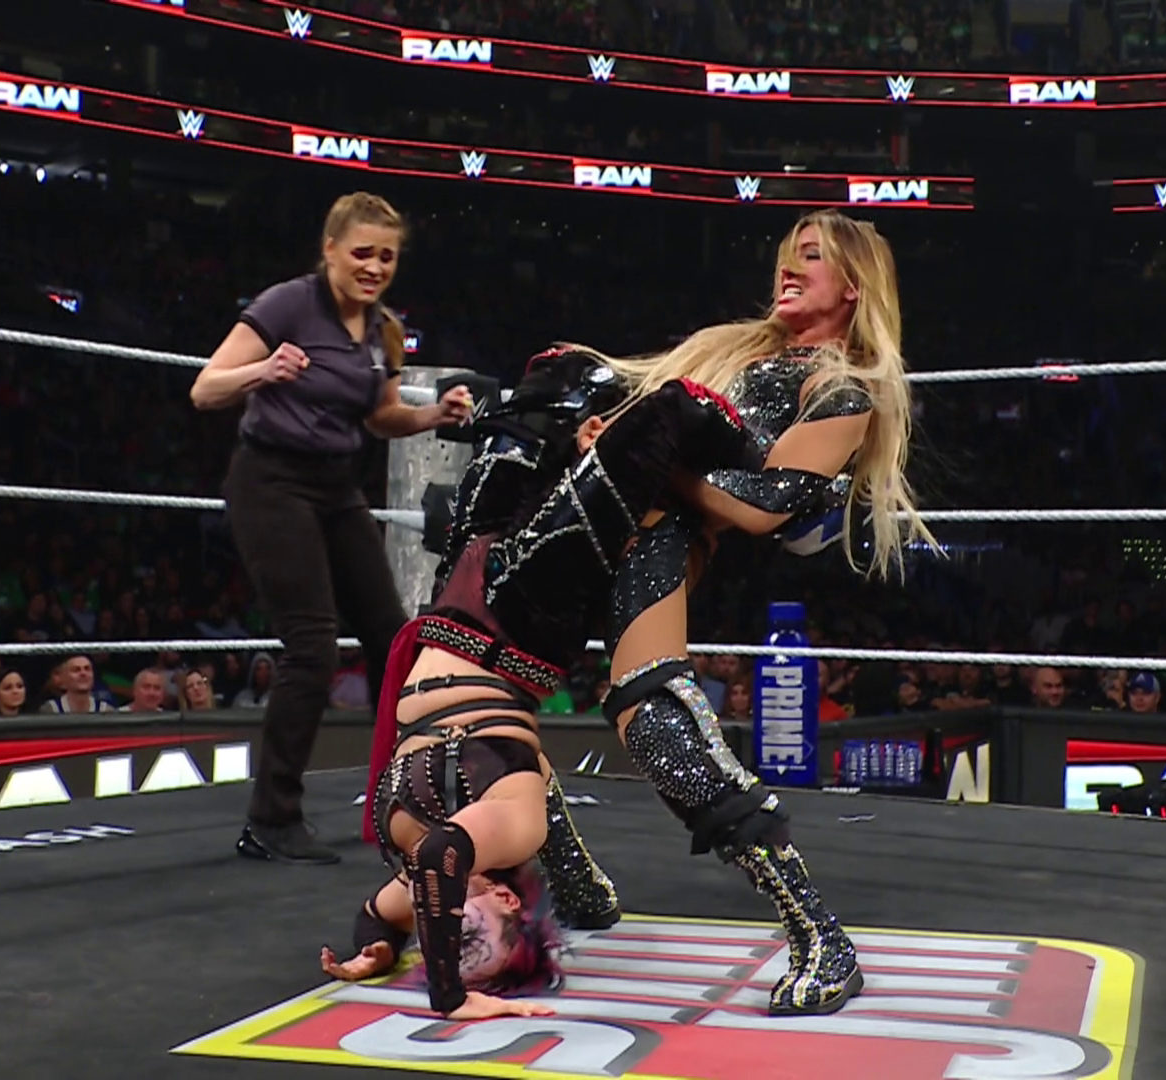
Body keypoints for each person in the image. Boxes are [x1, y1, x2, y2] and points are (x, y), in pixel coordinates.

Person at [330, 348, 756, 1015]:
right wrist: (448, 989)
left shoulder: (427, 884)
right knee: (662, 421)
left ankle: (564, 393)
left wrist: (382, 950)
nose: (455, 936)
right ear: (507, 899)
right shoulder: (517, 826)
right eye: (476, 941)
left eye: (452, 946)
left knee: (532, 424)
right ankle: (768, 463)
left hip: (474, 612)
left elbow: (386, 906)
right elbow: (440, 856)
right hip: (512, 624)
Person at [587, 209, 930, 1017]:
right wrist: (600, 430)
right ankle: (568, 881)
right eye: (785, 255)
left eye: (809, 257)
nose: (788, 269)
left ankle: (820, 935)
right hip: (591, 509)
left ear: (854, 286)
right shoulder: (726, 346)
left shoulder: (843, 388)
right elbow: (629, 400)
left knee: (652, 722)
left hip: (658, 529)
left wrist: (653, 466)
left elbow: (766, 504)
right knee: (475, 672)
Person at [191, 192, 473, 865]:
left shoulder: (384, 328)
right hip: (271, 480)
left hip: (336, 484)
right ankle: (271, 818)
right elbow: (205, 388)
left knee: (393, 637)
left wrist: (432, 416)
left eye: (387, 257)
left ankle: (400, 797)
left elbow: (379, 417)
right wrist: (264, 370)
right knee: (312, 645)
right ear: (330, 250)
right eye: (362, 253)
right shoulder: (289, 303)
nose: (374, 267)